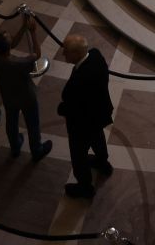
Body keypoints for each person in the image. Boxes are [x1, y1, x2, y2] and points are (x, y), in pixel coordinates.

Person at [0, 14, 53, 162]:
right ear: (7, 47)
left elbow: (12, 44)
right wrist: (33, 32)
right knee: (32, 124)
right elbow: (36, 54)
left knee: (11, 121)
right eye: (8, 36)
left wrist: (23, 27)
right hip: (26, 97)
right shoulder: (19, 63)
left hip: (8, 95)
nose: (10, 35)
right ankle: (37, 150)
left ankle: (15, 147)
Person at [58, 34, 114, 198]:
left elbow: (71, 105)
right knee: (98, 138)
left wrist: (61, 109)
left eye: (66, 51)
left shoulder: (81, 80)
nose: (63, 54)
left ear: (76, 54)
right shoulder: (96, 55)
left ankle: (84, 187)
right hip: (99, 113)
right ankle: (103, 163)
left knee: (78, 155)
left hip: (82, 123)